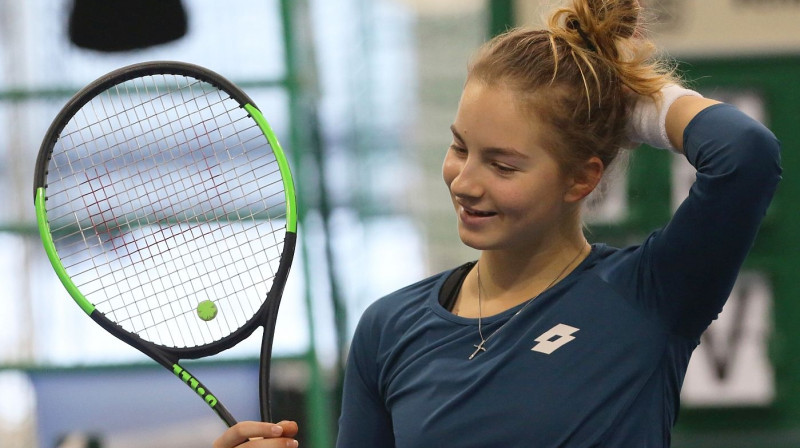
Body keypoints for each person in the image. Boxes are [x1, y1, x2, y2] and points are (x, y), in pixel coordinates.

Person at [214, 0, 781, 446]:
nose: (465, 182)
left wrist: (637, 103)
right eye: (460, 147)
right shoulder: (388, 329)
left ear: (581, 179)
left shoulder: (647, 295)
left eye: (502, 164)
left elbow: (744, 154)